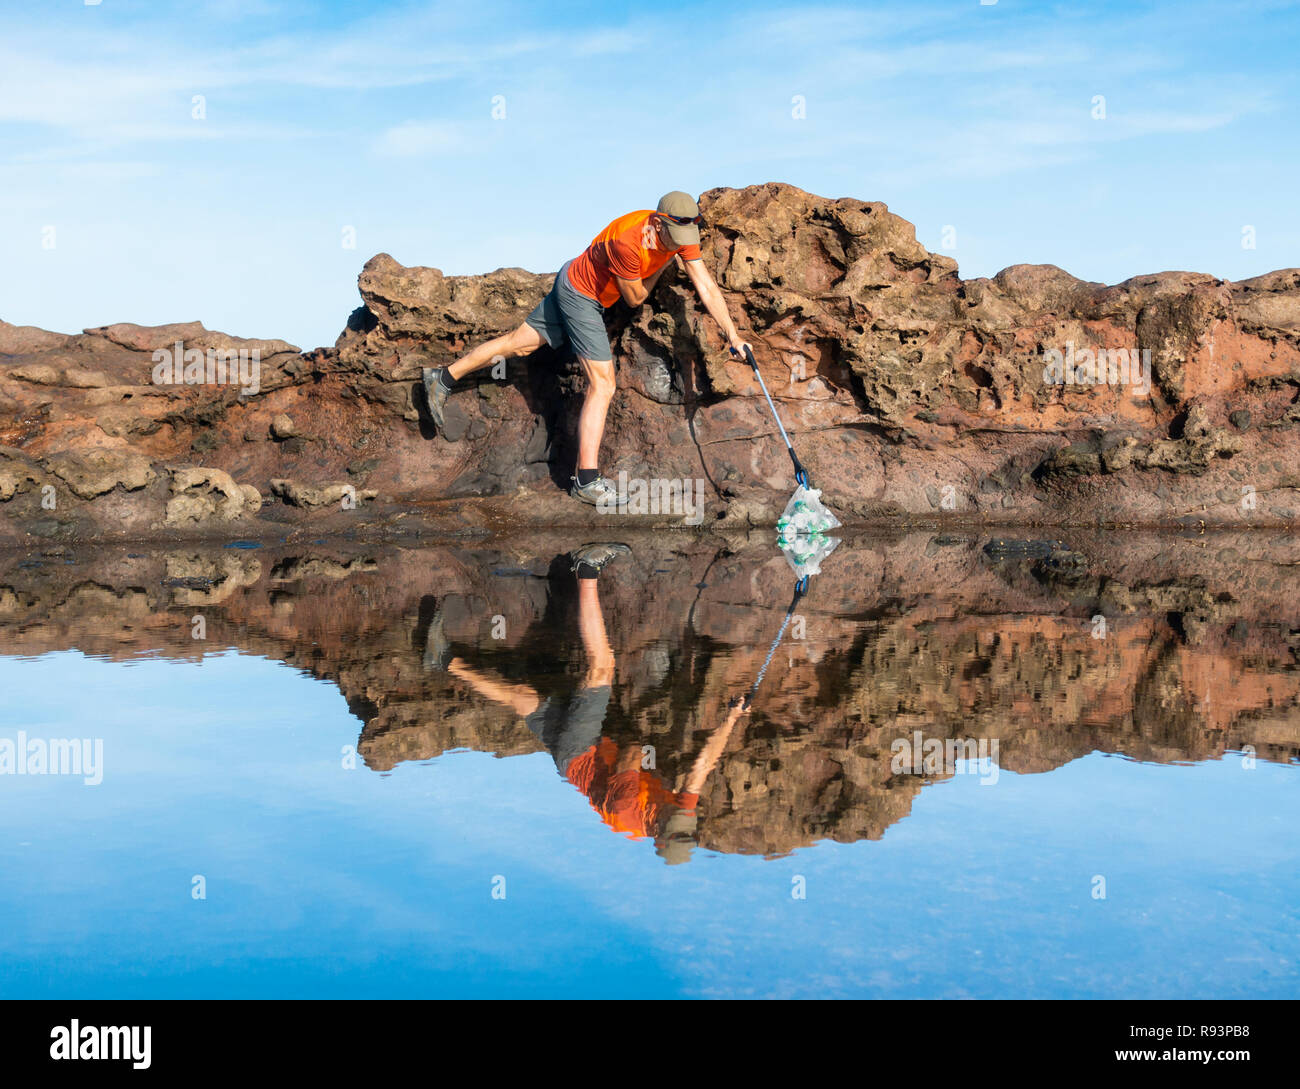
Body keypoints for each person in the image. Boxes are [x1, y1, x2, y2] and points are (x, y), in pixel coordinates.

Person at [421, 542, 749, 864]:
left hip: (581, 751)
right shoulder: (681, 812)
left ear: (659, 832)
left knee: (602, 667)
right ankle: (443, 661)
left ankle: (587, 571)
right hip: (571, 762)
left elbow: (631, 751)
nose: (678, 811)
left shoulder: (626, 808)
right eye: (682, 818)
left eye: (672, 819)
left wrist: (650, 756)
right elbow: (703, 766)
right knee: (523, 698)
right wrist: (733, 716)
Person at [421, 191, 751, 507]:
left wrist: (733, 336)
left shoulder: (683, 234)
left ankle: (442, 378)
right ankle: (586, 482)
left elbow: (705, 285)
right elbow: (634, 298)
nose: (681, 242)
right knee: (603, 384)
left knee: (518, 345)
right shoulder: (628, 241)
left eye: (686, 235)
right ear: (658, 222)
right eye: (674, 235)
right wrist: (665, 264)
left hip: (572, 278)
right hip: (581, 296)